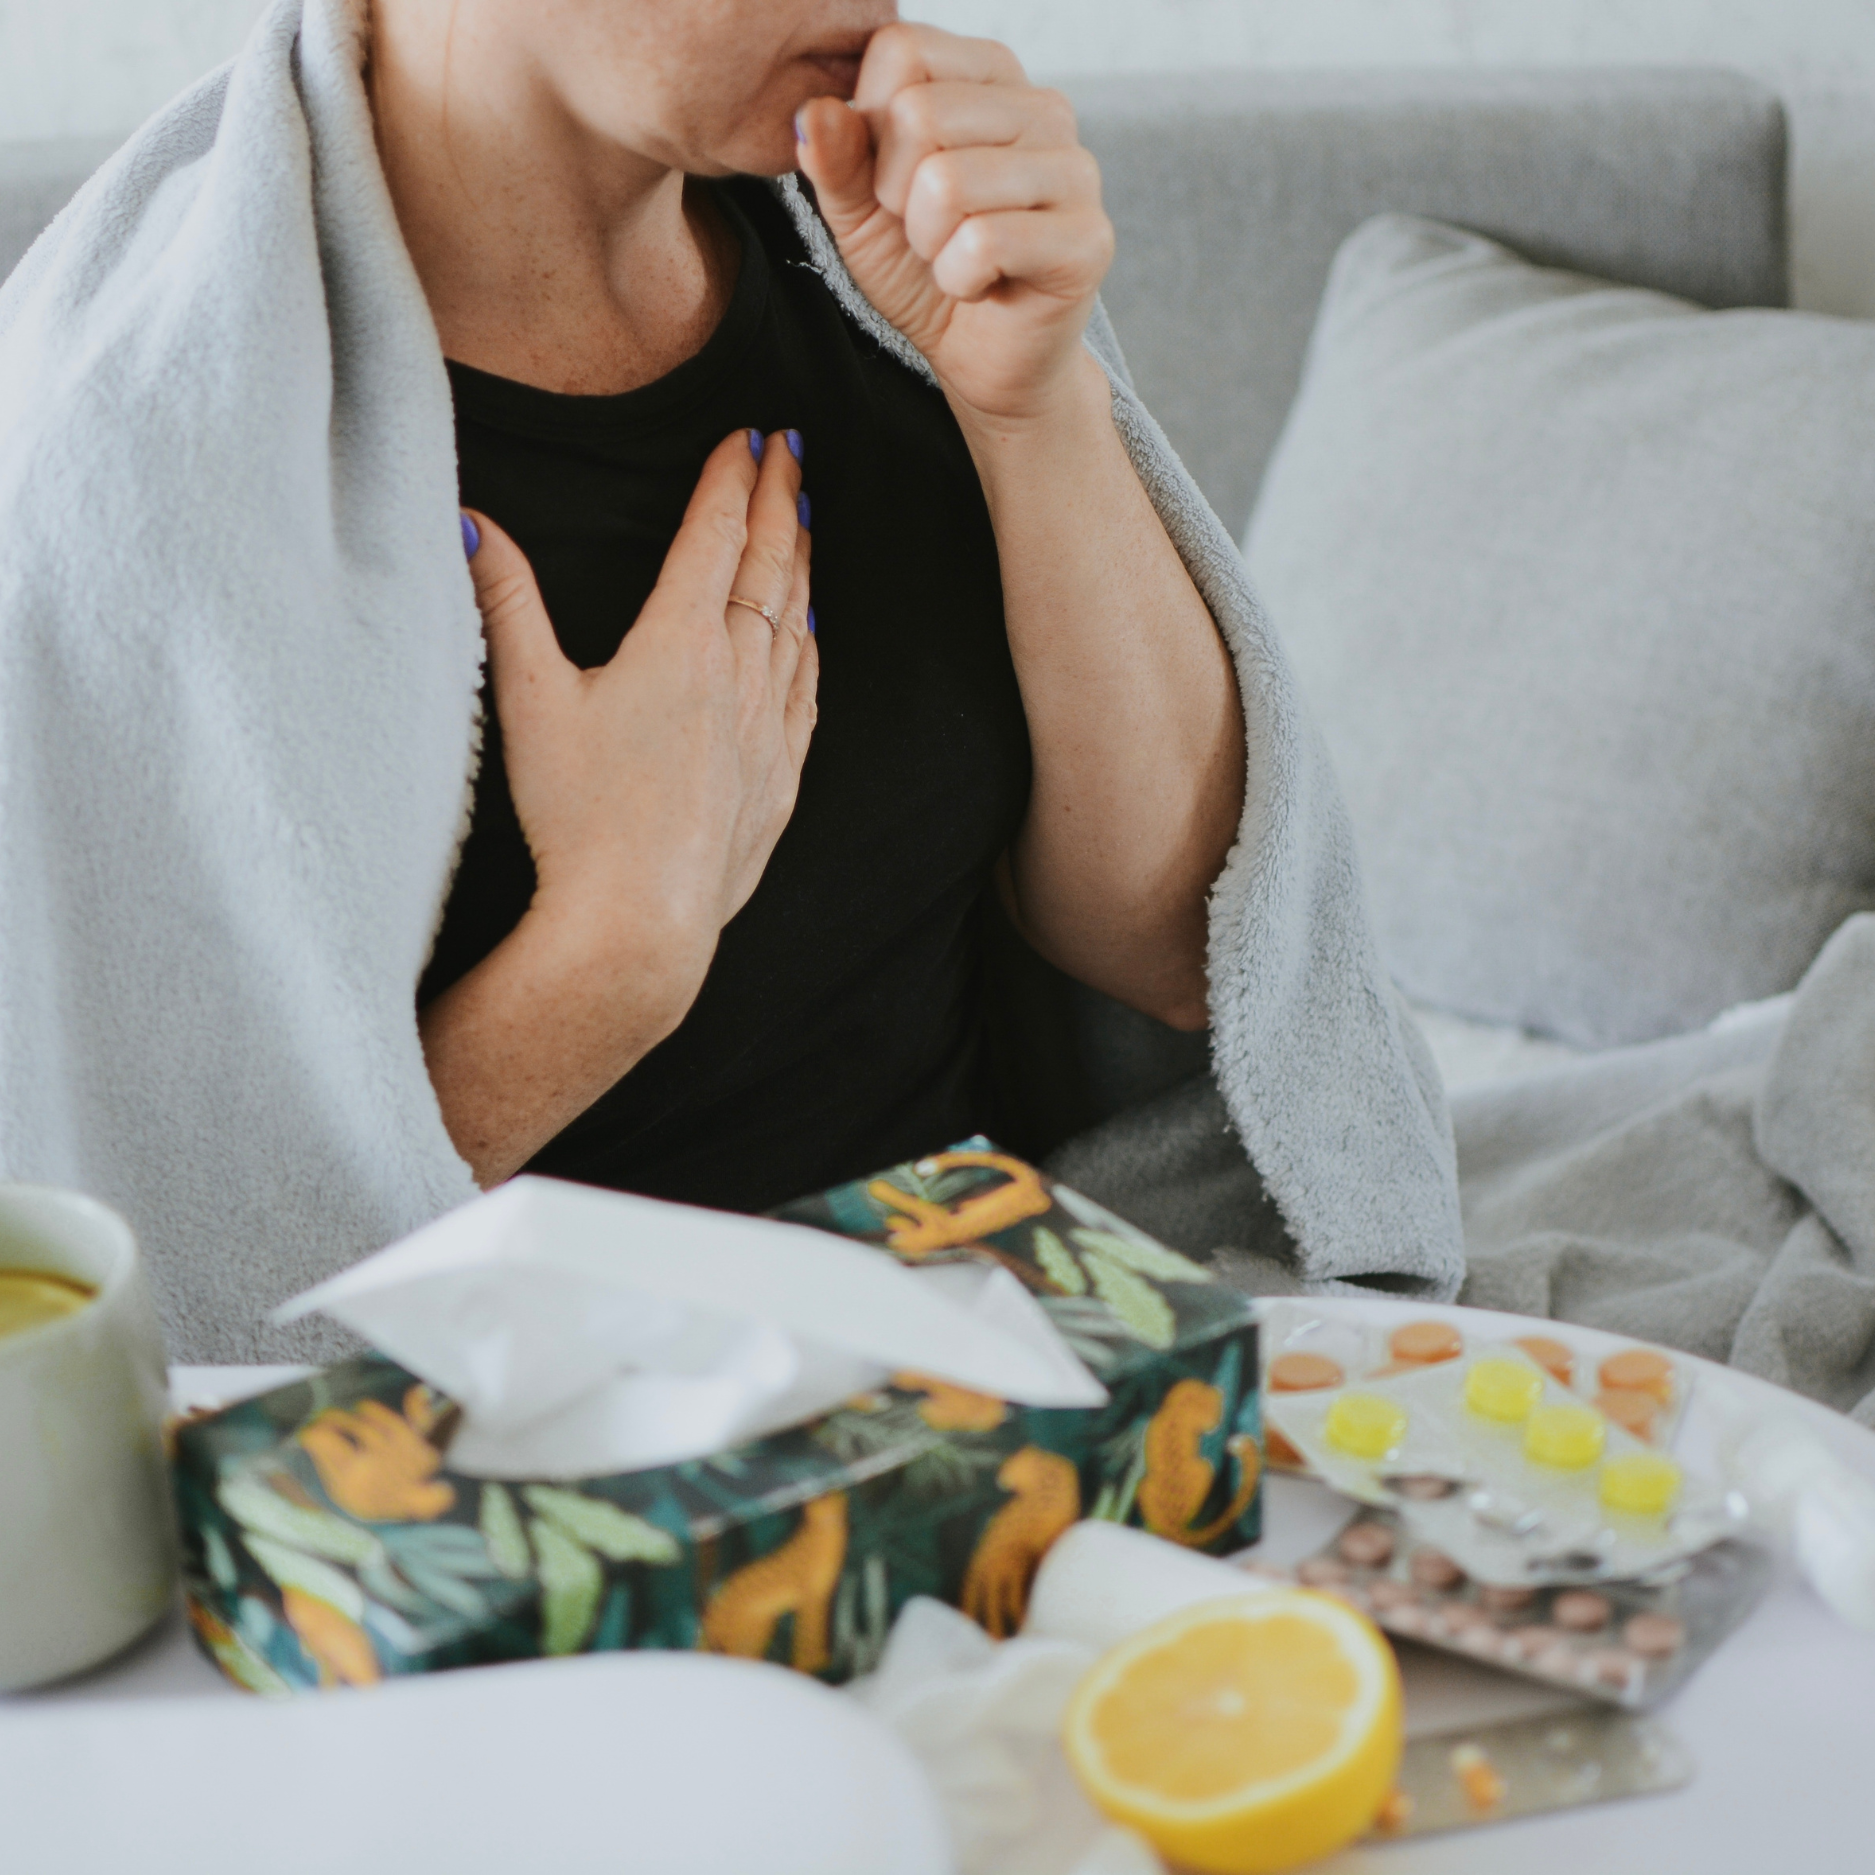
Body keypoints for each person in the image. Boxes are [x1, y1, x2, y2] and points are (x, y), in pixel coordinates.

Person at [382, 5, 1246, 1209]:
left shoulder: (874, 257)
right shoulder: (147, 454)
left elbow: (1185, 962)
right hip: (505, 1374)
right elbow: (168, 1263)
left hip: (975, 1315)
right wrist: (615, 951)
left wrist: (1031, 411)